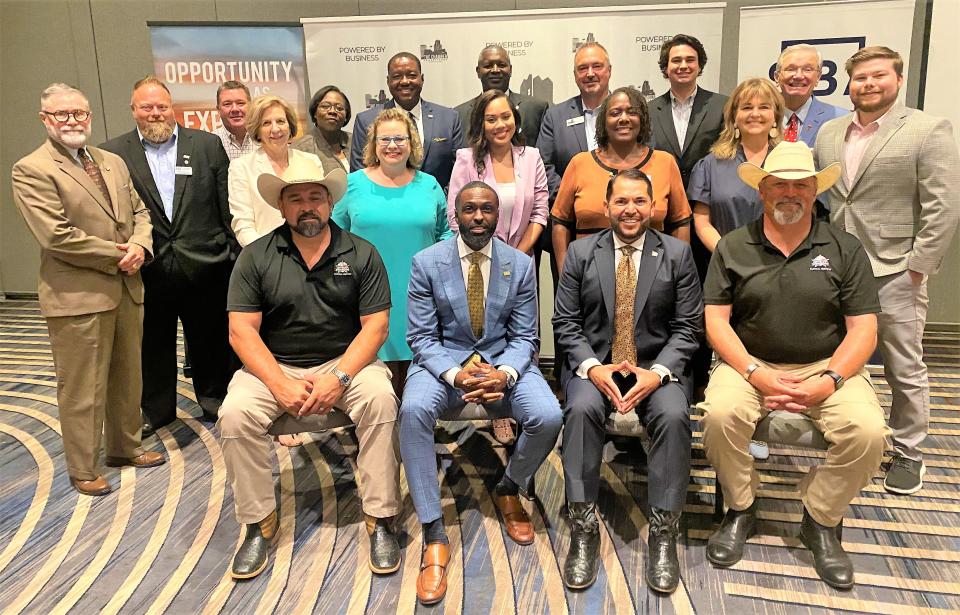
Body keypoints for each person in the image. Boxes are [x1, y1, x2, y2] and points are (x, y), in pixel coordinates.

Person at [699, 141, 889, 589]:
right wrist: (753, 372)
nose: (790, 193)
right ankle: (742, 507)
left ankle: (820, 518)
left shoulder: (844, 249)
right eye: (779, 185)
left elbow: (864, 330)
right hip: (748, 362)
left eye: (800, 185)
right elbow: (716, 322)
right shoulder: (733, 246)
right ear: (762, 191)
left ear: (814, 191)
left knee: (870, 433)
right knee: (719, 417)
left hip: (828, 364)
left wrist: (829, 379)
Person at [219, 158, 401, 580]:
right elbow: (241, 331)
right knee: (235, 414)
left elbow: (376, 327)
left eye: (315, 198)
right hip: (276, 365)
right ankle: (257, 523)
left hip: (345, 361)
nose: (307, 207)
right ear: (281, 207)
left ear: (329, 203)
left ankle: (380, 517)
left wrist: (339, 378)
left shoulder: (361, 253)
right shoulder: (256, 256)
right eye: (296, 199)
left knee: (381, 399)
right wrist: (279, 383)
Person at [401, 181, 562, 605]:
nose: (478, 217)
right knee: (414, 410)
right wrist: (456, 376)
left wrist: (504, 373)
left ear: (499, 216)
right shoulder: (426, 262)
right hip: (444, 365)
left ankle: (509, 486)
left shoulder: (520, 265)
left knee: (548, 416)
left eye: (487, 209)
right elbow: (420, 337)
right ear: (456, 214)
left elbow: (526, 337)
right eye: (469, 209)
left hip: (500, 363)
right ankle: (434, 531)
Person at [814, 46, 960, 495]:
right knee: (837, 355)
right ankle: (848, 434)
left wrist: (919, 267)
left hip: (894, 267)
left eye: (878, 76)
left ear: (897, 80)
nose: (868, 85)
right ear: (848, 84)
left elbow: (944, 205)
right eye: (860, 78)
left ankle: (909, 452)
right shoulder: (829, 132)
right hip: (837, 266)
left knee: (903, 363)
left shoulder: (926, 129)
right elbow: (827, 199)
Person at [12, 83, 165, 496]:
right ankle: (83, 468)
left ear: (90, 116)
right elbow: (57, 236)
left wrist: (141, 245)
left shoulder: (111, 161)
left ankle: (125, 447)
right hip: (77, 296)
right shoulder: (32, 169)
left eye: (78, 113)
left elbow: (139, 212)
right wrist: (119, 252)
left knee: (127, 376)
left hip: (127, 286)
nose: (72, 121)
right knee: (82, 388)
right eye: (62, 115)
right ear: (45, 120)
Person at [553, 169, 702, 593]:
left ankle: (663, 531)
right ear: (606, 207)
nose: (630, 210)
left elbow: (688, 327)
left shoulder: (676, 254)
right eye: (621, 202)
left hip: (656, 367)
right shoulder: (582, 253)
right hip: (597, 366)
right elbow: (565, 322)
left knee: (674, 416)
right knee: (580, 409)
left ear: (654, 207)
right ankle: (583, 526)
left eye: (640, 201)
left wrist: (655, 374)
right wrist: (592, 368)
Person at [101, 76, 237, 436]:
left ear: (171, 106)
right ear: (133, 111)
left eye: (161, 106)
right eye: (146, 107)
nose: (155, 113)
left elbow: (225, 207)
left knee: (210, 339)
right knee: (151, 342)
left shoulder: (207, 146)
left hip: (206, 265)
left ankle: (215, 401)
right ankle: (157, 410)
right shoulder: (113, 154)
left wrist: (231, 256)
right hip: (148, 267)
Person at [334, 108, 451, 397]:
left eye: (400, 138)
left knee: (417, 374)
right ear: (373, 144)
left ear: (412, 143)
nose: (392, 145)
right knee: (373, 377)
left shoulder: (430, 184)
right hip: (364, 291)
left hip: (419, 291)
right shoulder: (352, 184)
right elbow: (333, 234)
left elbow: (446, 234)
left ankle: (415, 424)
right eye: (384, 139)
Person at [551, 86, 692, 273]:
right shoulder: (580, 163)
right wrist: (565, 274)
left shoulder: (665, 163)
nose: (623, 118)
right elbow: (560, 223)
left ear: (643, 119)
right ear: (603, 121)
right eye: (615, 113)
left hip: (653, 275)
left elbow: (680, 223)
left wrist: (676, 272)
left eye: (632, 112)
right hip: (589, 274)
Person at [447, 89, 548, 254]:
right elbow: (454, 216)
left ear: (515, 119)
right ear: (481, 124)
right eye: (491, 120)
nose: (501, 125)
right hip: (477, 258)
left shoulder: (532, 157)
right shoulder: (466, 160)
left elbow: (539, 213)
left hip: (522, 259)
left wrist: (517, 257)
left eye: (506, 117)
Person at [690, 78, 784, 253]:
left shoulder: (789, 162)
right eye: (747, 107)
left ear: (775, 117)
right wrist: (727, 255)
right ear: (734, 118)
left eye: (764, 107)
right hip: (726, 264)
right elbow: (702, 221)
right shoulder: (709, 165)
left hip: (780, 265)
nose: (755, 114)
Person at [350, 52, 462, 190]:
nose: (404, 81)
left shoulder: (448, 118)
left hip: (437, 206)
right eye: (397, 76)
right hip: (384, 205)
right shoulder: (366, 120)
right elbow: (359, 173)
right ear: (388, 80)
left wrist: (436, 199)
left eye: (411, 75)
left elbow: (460, 172)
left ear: (422, 78)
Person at [228, 95, 325, 247]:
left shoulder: (311, 161)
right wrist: (266, 257)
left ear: (289, 125)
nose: (275, 129)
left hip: (310, 251)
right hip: (265, 257)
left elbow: (322, 211)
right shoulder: (241, 167)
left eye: (280, 121)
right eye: (266, 123)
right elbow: (243, 225)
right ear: (257, 130)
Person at [648, 34, 727, 188]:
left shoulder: (723, 106)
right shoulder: (648, 111)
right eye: (676, 60)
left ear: (699, 66)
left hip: (709, 199)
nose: (683, 66)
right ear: (666, 67)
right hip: (663, 198)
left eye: (690, 60)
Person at [539, 42, 613, 201]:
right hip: (571, 214)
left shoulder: (631, 112)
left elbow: (644, 157)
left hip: (624, 212)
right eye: (583, 68)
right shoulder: (555, 117)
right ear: (575, 75)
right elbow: (544, 166)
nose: (590, 73)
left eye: (597, 66)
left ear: (609, 70)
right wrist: (571, 197)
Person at [456, 45, 549, 148]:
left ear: (510, 69)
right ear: (478, 71)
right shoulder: (459, 114)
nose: (495, 70)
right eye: (488, 66)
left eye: (501, 65)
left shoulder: (536, 109)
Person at [774, 44, 847, 147]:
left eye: (807, 69)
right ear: (777, 77)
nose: (798, 76)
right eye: (790, 69)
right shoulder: (759, 117)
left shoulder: (840, 120)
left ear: (818, 77)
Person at [291, 84, 352, 171]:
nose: (332, 111)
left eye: (339, 108)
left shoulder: (356, 142)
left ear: (346, 115)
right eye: (325, 106)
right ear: (315, 113)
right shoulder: (301, 149)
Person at [213, 80, 257, 160]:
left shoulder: (264, 139)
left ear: (250, 106)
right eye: (227, 104)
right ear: (218, 110)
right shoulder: (210, 144)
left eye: (240, 103)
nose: (235, 109)